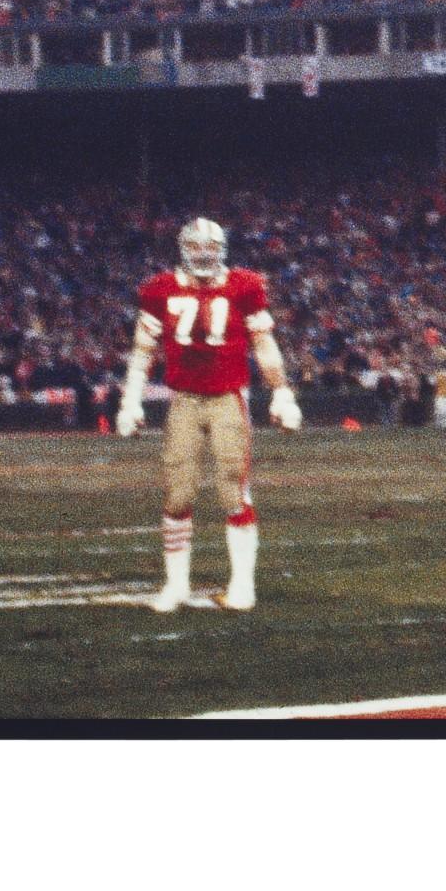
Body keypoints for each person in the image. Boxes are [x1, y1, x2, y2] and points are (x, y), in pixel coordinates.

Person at [115, 218, 302, 613]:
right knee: (178, 492)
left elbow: (264, 345)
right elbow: (142, 351)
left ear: (222, 250)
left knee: (233, 490)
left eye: (210, 247)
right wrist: (131, 400)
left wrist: (282, 392)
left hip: (227, 398)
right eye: (196, 247)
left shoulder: (244, 286)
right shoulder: (160, 289)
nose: (204, 254)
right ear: (184, 249)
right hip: (182, 399)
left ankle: (242, 585)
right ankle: (177, 585)